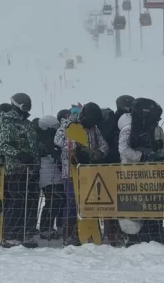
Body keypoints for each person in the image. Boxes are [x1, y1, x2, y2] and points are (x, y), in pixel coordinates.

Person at [54, 103, 108, 244]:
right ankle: (69, 234)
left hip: (89, 172)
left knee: (88, 203)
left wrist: (98, 153)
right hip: (70, 172)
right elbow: (58, 140)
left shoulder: (94, 129)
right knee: (72, 203)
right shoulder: (69, 124)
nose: (91, 124)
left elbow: (103, 145)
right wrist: (77, 147)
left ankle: (87, 232)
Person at [118, 98, 164, 244]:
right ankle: (133, 237)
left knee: (153, 203)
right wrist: (141, 155)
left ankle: (154, 234)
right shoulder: (129, 128)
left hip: (150, 173)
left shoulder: (154, 128)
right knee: (133, 205)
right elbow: (123, 149)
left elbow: (162, 147)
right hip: (130, 173)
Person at [0, 93, 40, 247]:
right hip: (16, 169)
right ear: (17, 105)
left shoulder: (27, 124)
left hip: (32, 170)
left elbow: (33, 145)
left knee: (30, 202)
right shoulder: (9, 123)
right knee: (16, 201)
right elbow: (3, 145)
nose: (26, 109)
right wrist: (19, 155)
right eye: (24, 106)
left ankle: (26, 234)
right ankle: (10, 234)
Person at [36, 116, 63, 240]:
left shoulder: (52, 138)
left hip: (55, 172)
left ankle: (50, 227)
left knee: (58, 200)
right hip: (46, 173)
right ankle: (45, 228)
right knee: (52, 200)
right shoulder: (40, 139)